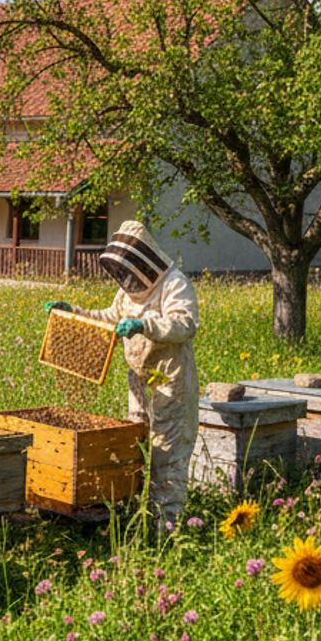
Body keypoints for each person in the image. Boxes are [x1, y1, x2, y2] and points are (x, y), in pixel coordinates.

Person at [45, 220, 200, 526]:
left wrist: (145, 326)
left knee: (167, 454)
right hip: (139, 382)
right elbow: (109, 318)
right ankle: (136, 518)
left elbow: (186, 324)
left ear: (144, 259)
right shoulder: (128, 293)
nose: (126, 279)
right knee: (136, 449)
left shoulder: (174, 284)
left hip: (170, 382)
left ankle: (165, 529)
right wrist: (73, 311)